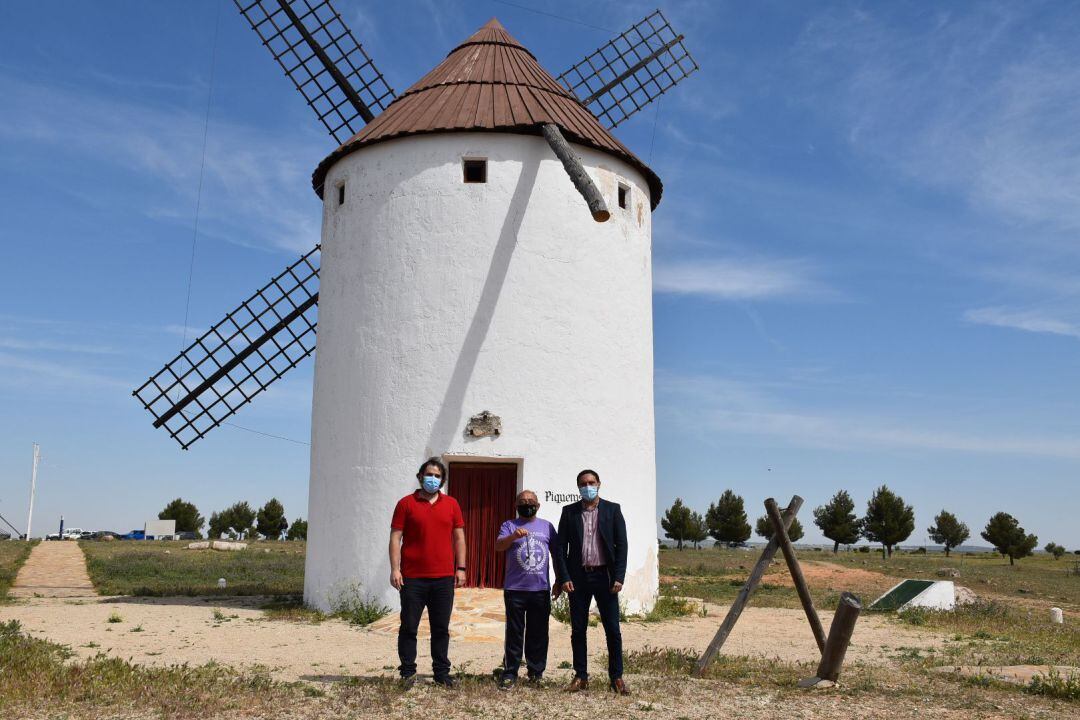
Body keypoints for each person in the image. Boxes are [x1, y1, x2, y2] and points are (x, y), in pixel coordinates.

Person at [389, 457, 466, 688]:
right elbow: (395, 537)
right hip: (412, 578)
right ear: (420, 476)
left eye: (437, 475)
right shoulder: (405, 503)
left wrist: (461, 568)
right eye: (429, 474)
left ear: (442, 480)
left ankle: (441, 673)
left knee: (441, 628)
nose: (433, 479)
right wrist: (395, 569)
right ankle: (407, 673)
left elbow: (459, 537)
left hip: (443, 578)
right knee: (409, 626)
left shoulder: (452, 504)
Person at [552, 468, 630, 695]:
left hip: (605, 577)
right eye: (583, 483)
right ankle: (581, 676)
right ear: (578, 487)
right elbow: (560, 548)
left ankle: (616, 677)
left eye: (591, 482)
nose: (588, 486)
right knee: (578, 629)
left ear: (599, 484)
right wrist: (563, 577)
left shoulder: (613, 510)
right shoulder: (569, 512)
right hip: (578, 578)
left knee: (613, 629)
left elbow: (622, 545)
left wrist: (619, 576)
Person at [494, 490, 557, 690]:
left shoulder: (547, 526)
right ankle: (510, 671)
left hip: (540, 589)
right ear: (516, 505)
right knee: (514, 632)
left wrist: (560, 580)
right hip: (515, 590)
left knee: (538, 632)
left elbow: (557, 553)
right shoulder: (509, 525)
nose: (527, 504)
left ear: (538, 506)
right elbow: (498, 546)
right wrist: (513, 536)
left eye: (531, 501)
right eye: (522, 501)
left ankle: (536, 671)